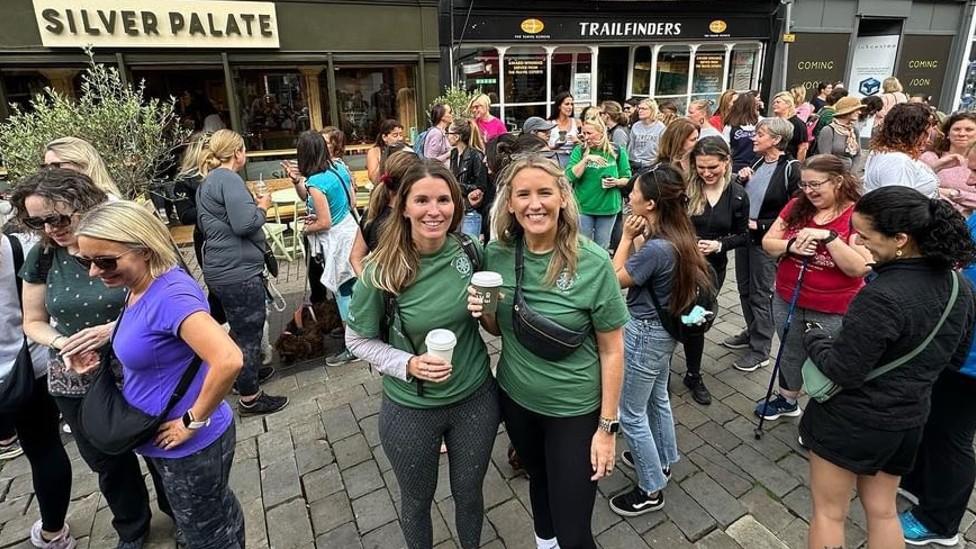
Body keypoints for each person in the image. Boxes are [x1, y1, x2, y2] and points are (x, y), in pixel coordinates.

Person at [801, 186, 976, 549]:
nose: (860, 244)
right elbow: (955, 358)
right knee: (882, 511)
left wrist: (816, 338)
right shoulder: (959, 285)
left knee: (829, 513)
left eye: (865, 236)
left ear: (900, 239)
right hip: (908, 420)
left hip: (852, 421)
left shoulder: (882, 294)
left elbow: (845, 370)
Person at [468, 154, 627, 548]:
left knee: (575, 532)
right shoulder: (497, 254)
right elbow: (499, 329)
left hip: (574, 410)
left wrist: (607, 429)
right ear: (509, 203)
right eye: (523, 194)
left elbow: (612, 351)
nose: (534, 203)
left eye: (544, 192)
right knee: (538, 482)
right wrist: (483, 311)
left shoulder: (592, 262)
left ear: (562, 198)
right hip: (516, 400)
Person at [74, 201, 245, 548]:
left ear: (144, 248)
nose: (94, 271)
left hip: (189, 446)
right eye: (86, 260)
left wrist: (191, 421)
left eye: (105, 261)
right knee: (215, 514)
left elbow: (228, 359)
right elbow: (156, 336)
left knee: (206, 533)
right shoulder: (142, 285)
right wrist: (109, 342)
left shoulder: (170, 295)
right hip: (163, 438)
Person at [346, 160, 499, 549]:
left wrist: (492, 311)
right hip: (411, 409)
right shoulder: (381, 271)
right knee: (416, 503)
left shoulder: (470, 251)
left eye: (444, 199)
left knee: (470, 494)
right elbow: (357, 340)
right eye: (423, 200)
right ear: (404, 207)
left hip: (475, 398)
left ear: (457, 205)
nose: (435, 210)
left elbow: (490, 324)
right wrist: (408, 364)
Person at [15, 169, 171, 549]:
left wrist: (112, 330)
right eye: (38, 222)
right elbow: (32, 321)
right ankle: (132, 527)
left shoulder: (122, 241)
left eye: (57, 217)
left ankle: (179, 510)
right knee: (106, 459)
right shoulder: (44, 255)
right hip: (75, 374)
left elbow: (167, 297)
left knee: (160, 446)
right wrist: (63, 342)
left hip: (137, 364)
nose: (50, 229)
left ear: (84, 203)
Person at [609, 164, 713, 516]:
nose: (630, 195)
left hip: (644, 332)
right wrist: (638, 237)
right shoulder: (675, 233)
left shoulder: (657, 249)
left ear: (651, 203)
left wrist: (624, 238)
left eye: (635, 192)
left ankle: (651, 487)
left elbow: (612, 281)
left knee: (630, 413)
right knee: (657, 399)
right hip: (665, 333)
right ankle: (664, 458)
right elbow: (649, 267)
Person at [755, 154, 870, 421]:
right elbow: (768, 242)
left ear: (838, 181)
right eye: (805, 185)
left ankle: (824, 416)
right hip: (788, 298)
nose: (808, 191)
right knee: (789, 352)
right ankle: (787, 400)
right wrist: (791, 246)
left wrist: (829, 238)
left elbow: (859, 267)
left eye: (815, 185)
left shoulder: (857, 214)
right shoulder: (797, 206)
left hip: (833, 307)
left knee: (829, 361)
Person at [194, 129, 288, 415]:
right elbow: (245, 224)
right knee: (248, 331)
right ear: (237, 152)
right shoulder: (229, 180)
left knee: (238, 327)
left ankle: (241, 374)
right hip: (238, 271)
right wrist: (263, 207)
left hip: (220, 269)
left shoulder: (208, 182)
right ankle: (250, 396)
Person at [898, 211, 976, 546]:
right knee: (932, 418)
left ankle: (941, 521)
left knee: (953, 437)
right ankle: (919, 483)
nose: (970, 180)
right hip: (952, 344)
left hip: (971, 358)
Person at [0, 224, 74, 547]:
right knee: (44, 447)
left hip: (25, 368)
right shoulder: (18, 245)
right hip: (30, 366)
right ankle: (53, 532)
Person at [723, 117, 800, 372]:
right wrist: (741, 180)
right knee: (745, 289)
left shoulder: (791, 168)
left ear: (776, 139)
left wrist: (764, 225)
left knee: (761, 293)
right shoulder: (756, 162)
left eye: (760, 134)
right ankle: (752, 330)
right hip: (745, 237)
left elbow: (797, 210)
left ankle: (761, 349)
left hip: (765, 242)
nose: (754, 138)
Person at [683, 137, 750, 405]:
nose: (707, 173)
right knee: (673, 315)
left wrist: (720, 244)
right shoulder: (686, 190)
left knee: (696, 318)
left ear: (726, 162)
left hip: (713, 270)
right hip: (681, 264)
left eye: (713, 167)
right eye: (701, 168)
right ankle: (660, 370)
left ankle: (693, 373)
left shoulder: (737, 195)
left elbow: (744, 235)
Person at [296, 130, 363, 367]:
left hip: (336, 242)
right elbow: (353, 203)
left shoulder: (315, 182)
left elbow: (324, 222)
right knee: (355, 288)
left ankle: (352, 345)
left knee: (344, 293)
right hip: (351, 231)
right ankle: (360, 332)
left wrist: (305, 229)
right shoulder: (339, 168)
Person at [172, 133, 227, 325]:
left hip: (230, 236)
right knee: (217, 288)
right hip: (207, 240)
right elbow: (185, 215)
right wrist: (215, 204)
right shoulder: (185, 181)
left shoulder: (223, 174)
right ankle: (217, 330)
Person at [566, 116, 632, 250]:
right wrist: (586, 160)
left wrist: (616, 182)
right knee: (583, 247)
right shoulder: (580, 150)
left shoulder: (617, 151)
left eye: (589, 133)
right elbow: (569, 177)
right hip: (583, 207)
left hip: (608, 207)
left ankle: (601, 271)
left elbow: (627, 178)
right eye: (583, 133)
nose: (585, 137)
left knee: (602, 248)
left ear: (601, 133)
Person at [863, 103, 940, 199]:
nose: (928, 140)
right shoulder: (898, 161)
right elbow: (897, 205)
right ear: (911, 132)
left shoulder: (885, 153)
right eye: (925, 134)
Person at [921, 112, 976, 212]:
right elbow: (917, 187)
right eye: (956, 129)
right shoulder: (931, 157)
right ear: (947, 134)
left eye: (969, 130)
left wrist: (954, 193)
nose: (962, 134)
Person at [449, 120, 489, 241]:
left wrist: (455, 185)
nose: (447, 136)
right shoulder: (454, 153)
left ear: (457, 136)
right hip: (457, 208)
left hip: (471, 210)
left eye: (448, 133)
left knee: (469, 248)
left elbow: (481, 186)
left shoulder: (476, 155)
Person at [44, 136, 122, 198]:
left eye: (56, 165)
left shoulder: (108, 205)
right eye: (46, 167)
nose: (49, 172)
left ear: (82, 164)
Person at [815, 97, 865, 172]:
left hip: (848, 176)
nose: (859, 112)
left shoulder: (854, 130)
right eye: (856, 110)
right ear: (847, 112)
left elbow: (858, 155)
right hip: (833, 174)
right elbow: (825, 159)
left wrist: (852, 174)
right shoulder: (828, 130)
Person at [628, 99, 666, 174]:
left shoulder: (661, 127)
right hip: (636, 164)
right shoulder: (636, 126)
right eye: (639, 108)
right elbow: (631, 147)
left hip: (652, 165)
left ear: (652, 110)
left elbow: (663, 149)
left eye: (644, 109)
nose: (640, 111)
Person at [724, 93, 760, 172]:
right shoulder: (730, 126)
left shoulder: (760, 123)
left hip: (756, 166)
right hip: (736, 167)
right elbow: (725, 148)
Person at [772, 91, 810, 161]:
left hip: (789, 162)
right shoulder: (773, 122)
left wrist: (798, 167)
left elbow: (803, 147)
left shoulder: (798, 124)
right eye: (774, 103)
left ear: (788, 104)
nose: (774, 105)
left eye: (778, 102)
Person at [366, 119, 406, 185]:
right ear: (384, 137)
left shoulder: (405, 150)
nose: (400, 138)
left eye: (401, 135)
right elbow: (373, 179)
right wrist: (387, 154)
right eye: (395, 135)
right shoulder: (374, 151)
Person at [549, 92, 580, 165]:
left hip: (574, 160)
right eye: (567, 104)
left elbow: (585, 144)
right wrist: (555, 146)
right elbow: (543, 146)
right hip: (555, 161)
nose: (570, 107)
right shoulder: (549, 124)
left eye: (571, 104)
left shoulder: (577, 122)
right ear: (559, 106)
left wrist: (577, 141)